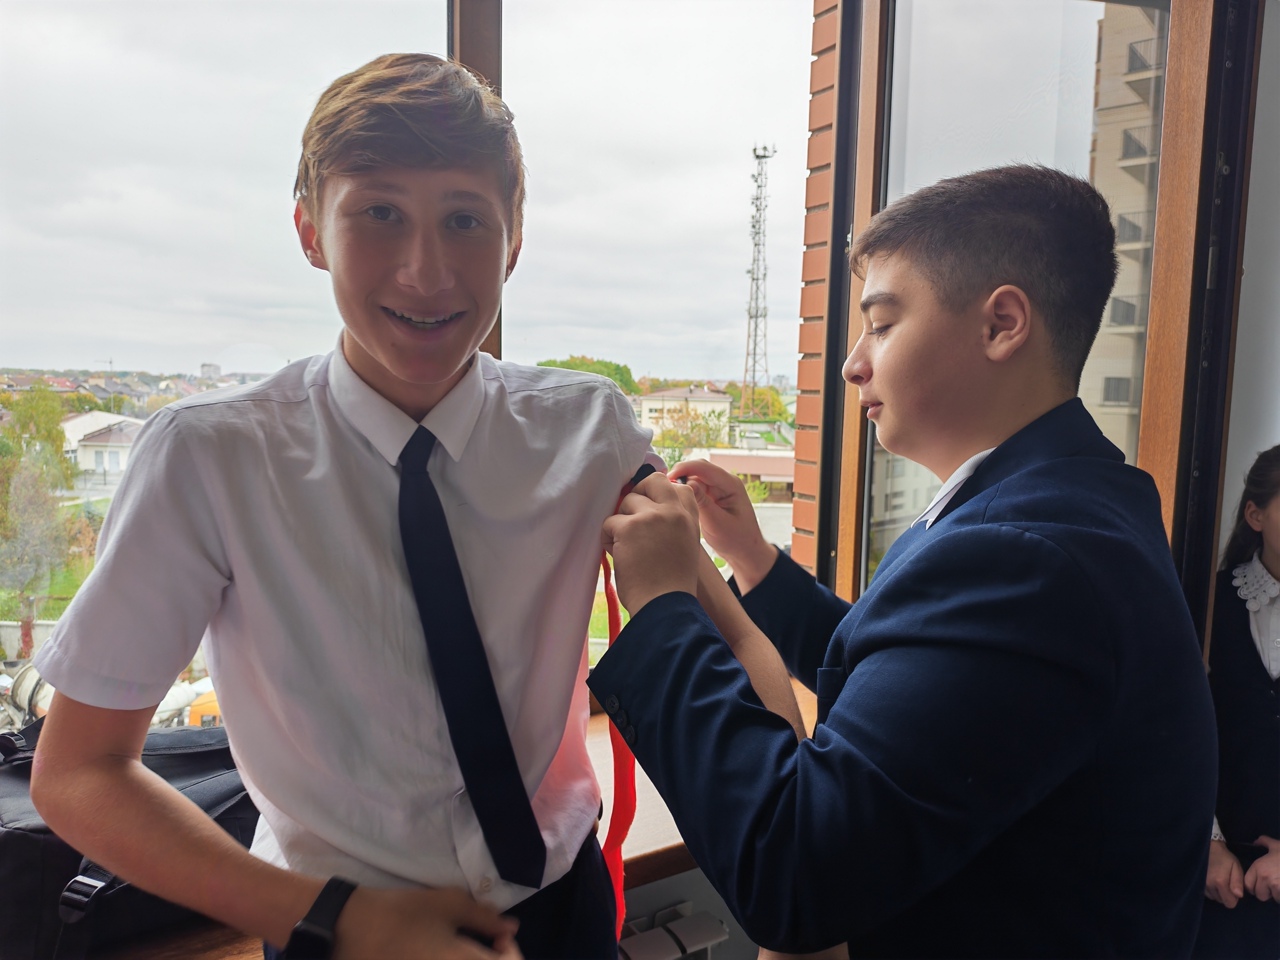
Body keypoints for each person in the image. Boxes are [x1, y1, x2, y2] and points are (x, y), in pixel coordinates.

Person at [30, 54, 660, 960]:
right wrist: (332, 918)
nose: (426, 271)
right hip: (335, 925)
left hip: (565, 910)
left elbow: (693, 630)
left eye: (464, 220)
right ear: (310, 231)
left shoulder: (590, 429)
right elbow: (80, 771)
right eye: (379, 213)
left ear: (514, 241)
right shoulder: (210, 457)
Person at [590, 165, 1218, 957]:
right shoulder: (1064, 499)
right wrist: (751, 560)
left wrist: (659, 609)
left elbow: (795, 872)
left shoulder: (1029, 557)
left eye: (882, 324)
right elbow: (913, 681)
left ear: (1003, 325)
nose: (853, 364)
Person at [1195, 444, 1280, 959]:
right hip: (1219, 880)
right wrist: (1206, 843)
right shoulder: (1203, 605)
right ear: (1255, 515)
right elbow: (1172, 737)